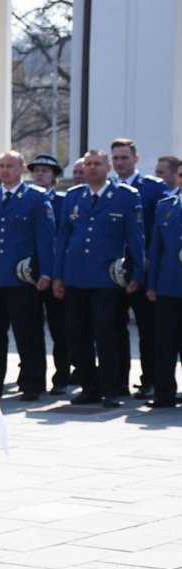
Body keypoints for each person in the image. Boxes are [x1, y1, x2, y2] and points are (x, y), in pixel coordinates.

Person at [54, 149, 145, 409]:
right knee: (77, 333)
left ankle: (110, 389)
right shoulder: (73, 196)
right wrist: (58, 275)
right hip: (75, 276)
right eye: (87, 165)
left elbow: (135, 239)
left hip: (106, 278)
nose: (91, 168)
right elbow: (63, 239)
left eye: (97, 164)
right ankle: (88, 386)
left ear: (108, 168)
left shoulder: (125, 197)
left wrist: (136, 274)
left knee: (105, 332)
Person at [0, 151, 55, 400]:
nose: (5, 171)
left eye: (10, 166)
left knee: (27, 332)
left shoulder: (35, 198)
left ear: (22, 168)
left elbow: (46, 239)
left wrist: (46, 272)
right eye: (1, 166)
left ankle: (32, 382)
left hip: (22, 278)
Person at [111, 137, 166, 400]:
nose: (119, 163)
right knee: (114, 326)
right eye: (116, 158)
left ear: (136, 159)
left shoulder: (153, 189)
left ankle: (150, 380)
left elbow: (159, 228)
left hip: (142, 268)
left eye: (124, 158)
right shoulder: (108, 189)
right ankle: (119, 380)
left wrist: (148, 261)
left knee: (147, 328)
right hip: (113, 271)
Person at [29, 154, 70, 394]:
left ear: (55, 176)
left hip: (55, 272)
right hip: (29, 274)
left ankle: (62, 377)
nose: (40, 174)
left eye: (46, 170)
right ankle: (34, 376)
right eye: (37, 170)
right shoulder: (27, 200)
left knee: (59, 329)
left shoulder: (63, 201)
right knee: (31, 329)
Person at [147, 187, 182, 408]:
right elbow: (156, 249)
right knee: (164, 343)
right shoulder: (166, 206)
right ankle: (164, 393)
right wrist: (152, 284)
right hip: (168, 286)